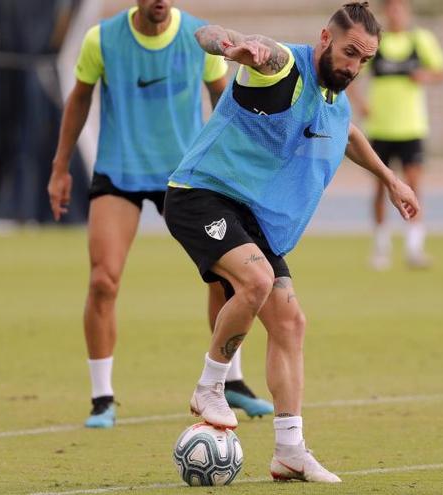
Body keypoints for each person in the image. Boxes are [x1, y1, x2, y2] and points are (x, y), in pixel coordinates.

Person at [163, 2, 419, 482]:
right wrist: (234, 47)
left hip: (251, 212)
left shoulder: (331, 97)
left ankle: (289, 450)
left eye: (364, 61)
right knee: (256, 282)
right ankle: (210, 385)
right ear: (325, 38)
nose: (353, 67)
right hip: (201, 194)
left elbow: (347, 135)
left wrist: (389, 179)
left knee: (290, 323)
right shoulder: (281, 64)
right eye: (348, 53)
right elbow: (210, 33)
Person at [47, 0, 272, 429]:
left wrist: (240, 165)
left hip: (185, 179)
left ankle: (233, 382)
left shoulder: (199, 37)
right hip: (120, 172)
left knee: (228, 276)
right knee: (102, 280)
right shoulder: (102, 39)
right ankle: (102, 398)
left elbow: (223, 101)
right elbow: (78, 100)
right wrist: (60, 167)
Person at [351, 0, 443, 270]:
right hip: (381, 128)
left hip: (411, 126)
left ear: (407, 12)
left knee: (413, 186)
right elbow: (353, 73)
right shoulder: (375, 43)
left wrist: (425, 76)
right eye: (391, 9)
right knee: (380, 187)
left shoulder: (420, 40)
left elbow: (440, 71)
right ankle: (381, 247)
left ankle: (414, 247)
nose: (396, 14)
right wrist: (360, 104)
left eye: (400, 9)